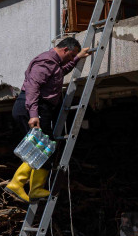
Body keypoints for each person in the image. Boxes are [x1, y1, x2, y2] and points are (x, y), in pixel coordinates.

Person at [5, 37, 91, 202]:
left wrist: (78, 57)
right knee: (43, 146)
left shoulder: (55, 64)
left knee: (44, 146)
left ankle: (34, 187)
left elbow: (61, 71)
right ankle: (19, 183)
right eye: (70, 54)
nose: (69, 58)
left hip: (38, 108)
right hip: (32, 107)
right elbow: (32, 87)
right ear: (65, 49)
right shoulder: (46, 61)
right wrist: (33, 115)